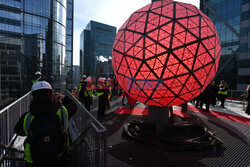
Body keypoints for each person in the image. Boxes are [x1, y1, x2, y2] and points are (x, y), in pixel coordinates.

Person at [14, 81, 77, 167]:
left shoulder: (27, 118)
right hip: (58, 157)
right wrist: (64, 98)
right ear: (51, 95)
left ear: (33, 96)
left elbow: (18, 131)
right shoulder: (62, 113)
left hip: (34, 159)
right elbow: (74, 106)